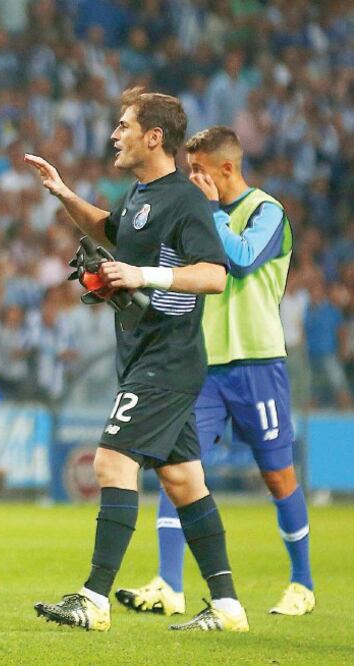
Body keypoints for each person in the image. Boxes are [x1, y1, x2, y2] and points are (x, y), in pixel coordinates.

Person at [26, 87, 249, 632]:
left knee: (110, 462)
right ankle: (227, 606)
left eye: (124, 125)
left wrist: (142, 275)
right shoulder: (138, 196)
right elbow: (111, 231)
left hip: (167, 358)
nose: (114, 134)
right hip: (144, 352)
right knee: (183, 482)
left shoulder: (185, 200)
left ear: (154, 137)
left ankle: (93, 600)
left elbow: (215, 275)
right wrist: (63, 194)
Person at [115, 126, 313, 617]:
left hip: (256, 362)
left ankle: (302, 583)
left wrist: (210, 212)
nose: (192, 178)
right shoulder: (193, 213)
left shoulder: (268, 212)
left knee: (277, 474)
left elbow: (241, 262)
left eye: (199, 170)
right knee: (176, 469)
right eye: (188, 170)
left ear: (227, 168)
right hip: (203, 366)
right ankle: (168, 583)